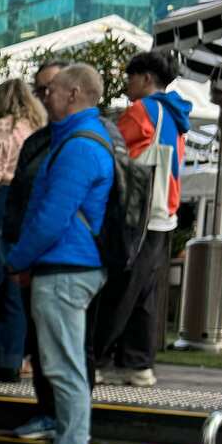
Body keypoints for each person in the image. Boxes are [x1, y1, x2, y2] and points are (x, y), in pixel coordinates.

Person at [7, 63, 114, 444]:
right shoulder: (82, 139)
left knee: (64, 369)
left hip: (66, 269)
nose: (45, 96)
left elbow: (51, 217)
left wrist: (16, 259)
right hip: (69, 266)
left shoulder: (79, 146)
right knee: (65, 366)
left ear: (73, 93)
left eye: (51, 90)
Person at [93, 49, 191, 388]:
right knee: (144, 294)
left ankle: (95, 359)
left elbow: (114, 156)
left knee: (118, 290)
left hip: (138, 214)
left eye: (131, 77)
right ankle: (138, 364)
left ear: (146, 78)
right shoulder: (176, 114)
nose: (127, 84)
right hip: (164, 212)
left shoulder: (142, 111)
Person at [3, 59, 63, 439]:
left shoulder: (86, 138)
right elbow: (18, 200)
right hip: (34, 258)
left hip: (69, 262)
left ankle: (67, 427)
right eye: (39, 89)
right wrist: (16, 253)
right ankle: (48, 412)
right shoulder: (37, 141)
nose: (45, 96)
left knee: (68, 351)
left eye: (50, 88)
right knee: (41, 343)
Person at [0, 78, 47, 382]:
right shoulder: (37, 129)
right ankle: (10, 362)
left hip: (1, 200)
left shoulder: (0, 128)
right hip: (28, 204)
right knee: (15, 289)